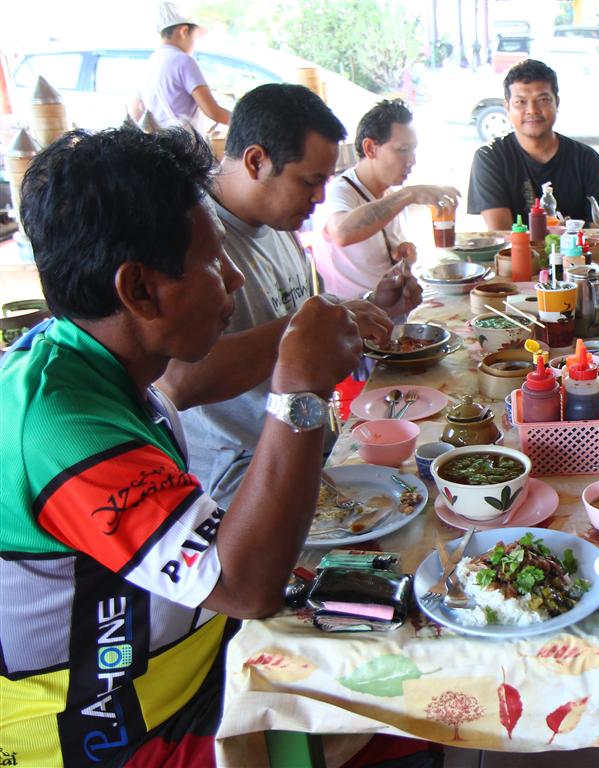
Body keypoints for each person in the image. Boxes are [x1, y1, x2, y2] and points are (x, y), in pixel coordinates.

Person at [0, 126, 362, 766]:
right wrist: (300, 385)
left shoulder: (86, 356)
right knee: (397, 711)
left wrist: (301, 348)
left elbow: (191, 381)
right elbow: (247, 585)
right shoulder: (62, 428)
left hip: (198, 662)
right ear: (137, 289)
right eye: (211, 262)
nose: (229, 280)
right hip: (112, 734)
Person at [157, 84, 404, 511]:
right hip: (242, 478)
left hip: (312, 448)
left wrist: (374, 305)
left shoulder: (280, 222)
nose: (322, 197)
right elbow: (176, 383)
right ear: (256, 161)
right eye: (310, 181)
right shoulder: (193, 235)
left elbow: (308, 317)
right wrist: (299, 332)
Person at [312, 98, 457, 311]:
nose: (412, 160)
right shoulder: (340, 190)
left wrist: (401, 254)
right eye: (403, 150)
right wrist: (409, 194)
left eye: (413, 150)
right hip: (354, 325)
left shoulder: (388, 193)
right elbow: (342, 232)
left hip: (392, 315)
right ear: (370, 148)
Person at [467, 58, 599, 229]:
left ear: (557, 103)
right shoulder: (490, 157)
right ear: (507, 107)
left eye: (543, 100)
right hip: (516, 255)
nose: (532, 110)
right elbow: (502, 234)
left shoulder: (587, 159)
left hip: (576, 255)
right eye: (520, 102)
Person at [132, 1, 232, 130]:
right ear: (184, 31)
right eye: (195, 37)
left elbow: (136, 111)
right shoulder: (184, 61)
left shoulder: (148, 64)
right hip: (181, 145)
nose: (195, 44)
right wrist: (245, 120)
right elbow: (213, 112)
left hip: (156, 145)